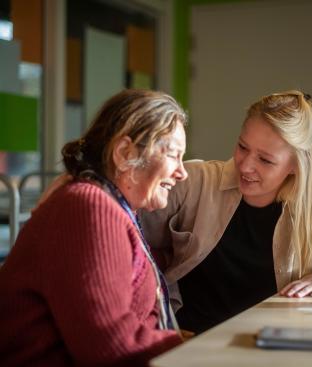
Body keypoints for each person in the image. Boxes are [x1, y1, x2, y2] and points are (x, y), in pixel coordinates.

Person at [0, 89, 189, 366]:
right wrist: (199, 350)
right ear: (125, 153)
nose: (182, 172)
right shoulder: (88, 207)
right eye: (173, 155)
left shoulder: (114, 208)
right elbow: (112, 348)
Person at [140, 90, 312, 334]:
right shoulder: (194, 182)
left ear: (295, 167)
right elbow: (125, 222)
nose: (245, 166)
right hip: (187, 338)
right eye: (243, 147)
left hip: (266, 345)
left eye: (265, 160)